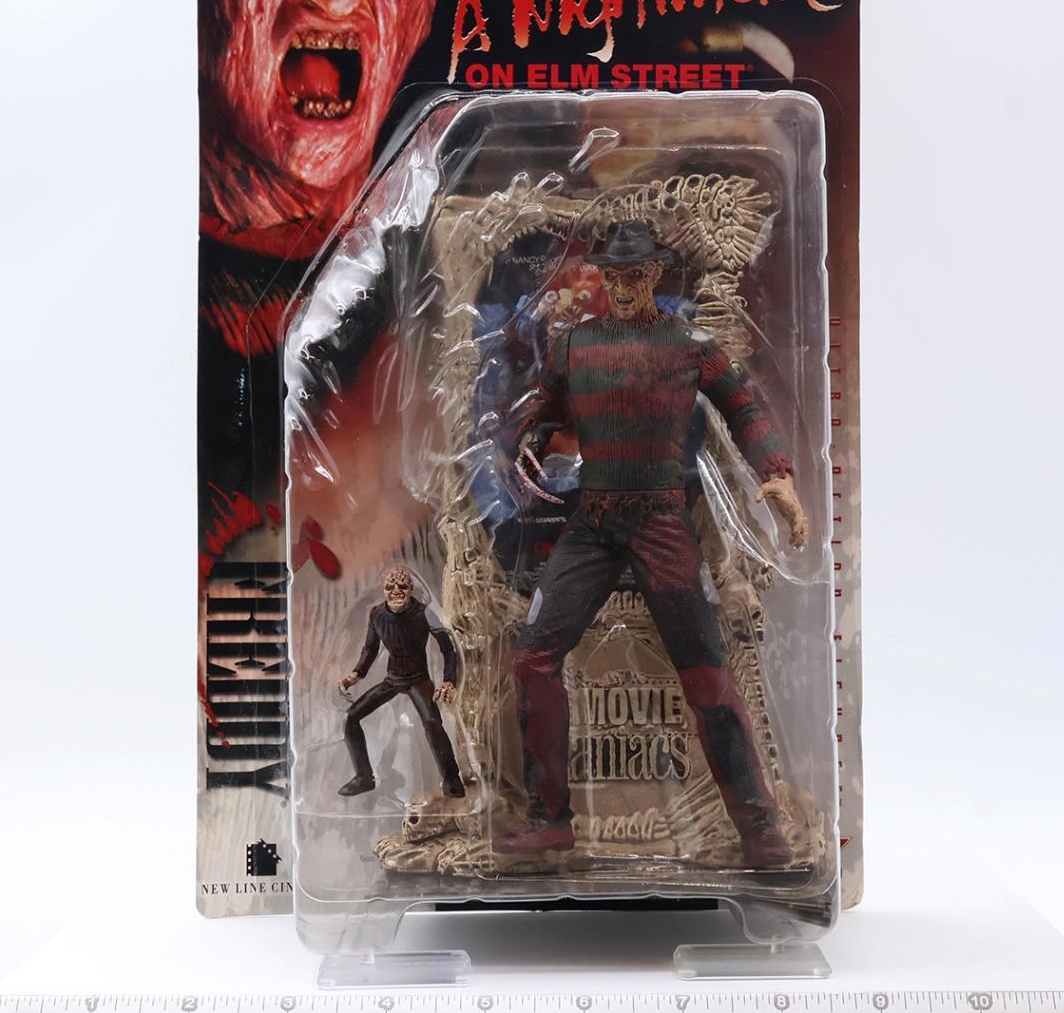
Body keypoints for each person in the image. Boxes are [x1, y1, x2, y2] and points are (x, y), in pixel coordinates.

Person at [504, 221, 808, 865]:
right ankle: (549, 820)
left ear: (653, 276)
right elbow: (545, 407)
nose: (622, 286)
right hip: (593, 521)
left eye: (634, 275)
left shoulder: (690, 344)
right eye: (612, 275)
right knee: (532, 660)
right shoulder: (573, 344)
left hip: (662, 523)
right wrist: (530, 436)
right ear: (602, 277)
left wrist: (777, 473)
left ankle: (759, 829)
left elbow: (744, 408)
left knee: (707, 675)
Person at [338, 565, 464, 799]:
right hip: (392, 678)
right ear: (384, 590)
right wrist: (356, 674)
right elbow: (370, 649)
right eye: (390, 587)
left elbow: (448, 649)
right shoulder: (377, 614)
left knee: (432, 722)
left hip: (419, 679)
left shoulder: (425, 613)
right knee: (350, 717)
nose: (396, 591)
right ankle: (364, 777)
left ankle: (451, 778)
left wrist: (448, 681)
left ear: (411, 589)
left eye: (402, 586)